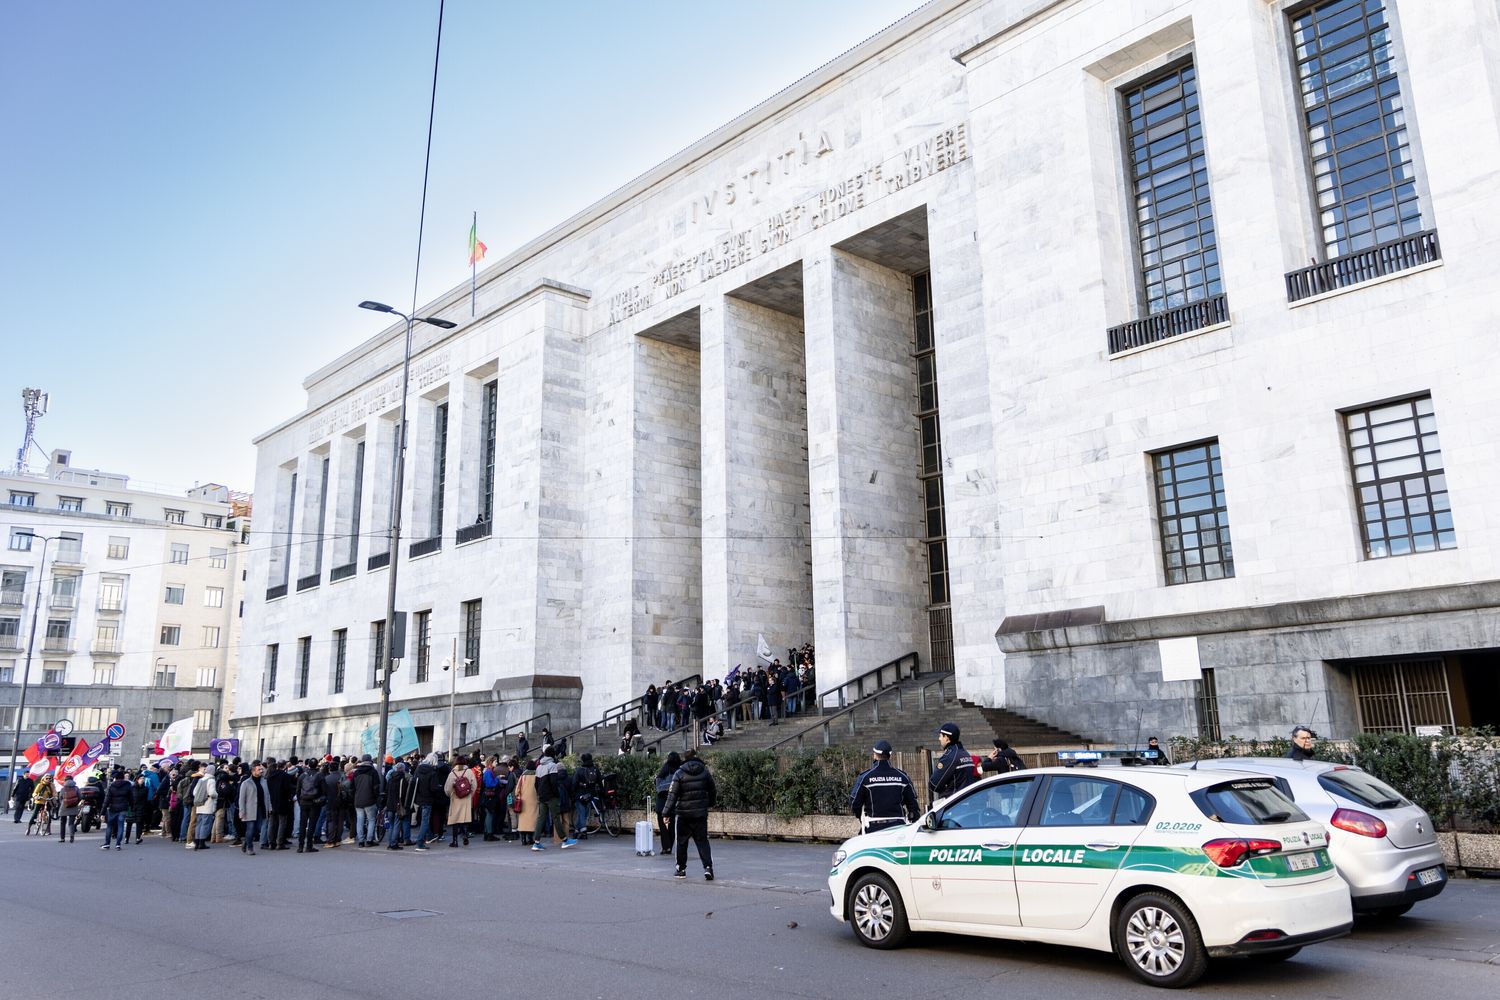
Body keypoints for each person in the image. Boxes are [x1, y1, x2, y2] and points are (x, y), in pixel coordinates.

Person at [664, 748, 717, 881]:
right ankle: (708, 868)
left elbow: (672, 795)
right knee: (703, 841)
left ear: (685, 759)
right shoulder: (704, 772)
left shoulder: (679, 773)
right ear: (696, 757)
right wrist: (709, 803)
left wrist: (666, 812)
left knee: (681, 842)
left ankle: (681, 869)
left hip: (683, 814)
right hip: (700, 813)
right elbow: (712, 790)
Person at [849, 740, 920, 833]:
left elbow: (854, 802)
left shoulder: (865, 778)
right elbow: (913, 804)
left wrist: (860, 817)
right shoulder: (903, 777)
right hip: (898, 827)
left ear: (874, 755)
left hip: (873, 827)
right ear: (889, 756)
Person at [929, 722, 976, 804]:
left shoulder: (950, 756)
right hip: (967, 801)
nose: (939, 739)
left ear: (946, 738)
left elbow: (934, 784)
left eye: (940, 736)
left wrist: (946, 789)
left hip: (955, 805)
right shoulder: (964, 753)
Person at [653, 751, 681, 858]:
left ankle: (666, 847)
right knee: (672, 824)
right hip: (673, 801)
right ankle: (669, 846)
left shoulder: (665, 768)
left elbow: (658, 785)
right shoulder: (680, 770)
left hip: (662, 802)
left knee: (663, 825)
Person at [350, 754, 382, 847]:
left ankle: (360, 841)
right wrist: (376, 797)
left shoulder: (356, 772)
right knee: (371, 820)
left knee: (360, 820)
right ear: (370, 760)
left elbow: (352, 788)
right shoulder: (373, 772)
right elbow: (376, 787)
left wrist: (355, 796)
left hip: (358, 800)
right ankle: (369, 840)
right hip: (370, 800)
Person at [443, 756, 475, 847]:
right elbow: (474, 785)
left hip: (455, 798)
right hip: (466, 798)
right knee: (464, 819)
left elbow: (447, 788)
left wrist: (451, 795)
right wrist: (469, 795)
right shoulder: (469, 772)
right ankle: (465, 835)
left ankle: (455, 841)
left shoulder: (452, 773)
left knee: (455, 820)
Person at [411, 752, 441, 851]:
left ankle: (430, 836)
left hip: (419, 798)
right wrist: (439, 788)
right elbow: (433, 788)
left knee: (423, 819)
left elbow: (414, 783)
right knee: (425, 820)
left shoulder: (418, 769)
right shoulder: (432, 772)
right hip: (428, 799)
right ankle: (420, 842)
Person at [238, 762, 269, 855]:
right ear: (253, 771)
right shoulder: (246, 783)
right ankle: (250, 847)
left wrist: (269, 807)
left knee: (257, 828)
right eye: (259, 769)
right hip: (250, 809)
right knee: (250, 828)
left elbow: (267, 796)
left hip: (261, 808)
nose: (261, 771)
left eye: (261, 769)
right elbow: (242, 799)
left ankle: (246, 842)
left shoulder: (264, 781)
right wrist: (242, 811)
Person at [296, 760, 324, 853]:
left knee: (302, 824)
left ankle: (300, 846)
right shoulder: (319, 775)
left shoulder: (302, 775)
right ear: (317, 765)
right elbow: (323, 790)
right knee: (312, 824)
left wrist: (300, 802)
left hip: (304, 802)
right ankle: (309, 845)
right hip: (314, 802)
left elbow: (298, 790)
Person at [573, 753, 602, 839]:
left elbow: (574, 783)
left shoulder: (579, 770)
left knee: (581, 813)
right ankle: (576, 831)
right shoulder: (595, 769)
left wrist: (574, 794)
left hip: (580, 795)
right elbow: (600, 782)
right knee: (584, 814)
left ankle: (583, 832)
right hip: (590, 795)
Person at [103, 768, 133, 850]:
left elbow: (107, 800)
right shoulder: (128, 785)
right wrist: (132, 807)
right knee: (121, 826)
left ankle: (107, 843)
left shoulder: (111, 786)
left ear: (115, 778)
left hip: (113, 808)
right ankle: (118, 844)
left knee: (109, 826)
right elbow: (131, 798)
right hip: (123, 808)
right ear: (123, 777)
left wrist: (102, 812)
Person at [190, 764, 218, 850]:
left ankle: (197, 841)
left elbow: (195, 792)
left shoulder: (201, 780)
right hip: (207, 804)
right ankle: (202, 842)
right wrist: (217, 795)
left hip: (199, 804)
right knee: (205, 824)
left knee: (199, 823)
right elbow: (212, 792)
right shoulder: (211, 780)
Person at [56, 775, 82, 843]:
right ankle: (72, 837)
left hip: (64, 807)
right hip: (73, 807)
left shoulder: (63, 788)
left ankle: (62, 838)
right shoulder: (76, 788)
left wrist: (64, 803)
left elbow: (60, 798)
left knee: (62, 823)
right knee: (71, 823)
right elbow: (80, 797)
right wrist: (75, 802)